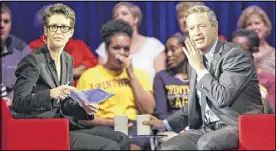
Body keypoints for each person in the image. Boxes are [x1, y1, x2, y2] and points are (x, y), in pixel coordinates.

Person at [143, 5, 264, 150]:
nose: (197, 33)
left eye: (201, 26)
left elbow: (222, 97)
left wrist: (200, 68)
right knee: (168, 147)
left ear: (215, 27)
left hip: (238, 126)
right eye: (192, 28)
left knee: (206, 143)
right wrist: (164, 124)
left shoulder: (235, 55)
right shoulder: (196, 59)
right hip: (207, 128)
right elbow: (196, 105)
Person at [11, 3, 129, 150]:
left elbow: (65, 103)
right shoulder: (32, 60)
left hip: (66, 124)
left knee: (121, 138)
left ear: (70, 32)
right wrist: (51, 93)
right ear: (45, 31)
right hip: (45, 128)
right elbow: (19, 101)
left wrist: (83, 106)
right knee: (109, 146)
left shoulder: (67, 59)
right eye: (54, 27)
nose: (59, 32)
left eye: (64, 28)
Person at [77, 20, 155, 150]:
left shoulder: (139, 74)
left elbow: (149, 110)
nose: (122, 53)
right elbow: (80, 118)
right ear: (106, 49)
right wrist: (109, 122)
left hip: (133, 125)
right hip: (103, 125)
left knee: (134, 144)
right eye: (116, 48)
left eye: (126, 49)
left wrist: (131, 75)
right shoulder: (90, 76)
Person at [95, 2, 166, 84]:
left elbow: (161, 80)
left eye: (124, 14)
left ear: (136, 19)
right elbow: (102, 78)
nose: (119, 17)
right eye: (116, 16)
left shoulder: (154, 45)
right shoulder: (104, 47)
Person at [28, 4, 98, 87]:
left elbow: (93, 68)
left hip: (80, 94)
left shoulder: (79, 45)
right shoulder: (33, 47)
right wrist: (76, 71)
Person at [232, 28, 275, 113]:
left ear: (254, 51)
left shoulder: (269, 80)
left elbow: (270, 115)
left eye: (241, 49)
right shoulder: (222, 76)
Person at [1, 3, 31, 102]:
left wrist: (12, 98)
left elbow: (30, 81)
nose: (2, 25)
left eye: (6, 21)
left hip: (13, 106)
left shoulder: (22, 49)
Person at [238, 5, 275, 75]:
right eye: (249, 24)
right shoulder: (239, 54)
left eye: (257, 23)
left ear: (266, 26)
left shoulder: (274, 55)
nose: (254, 27)